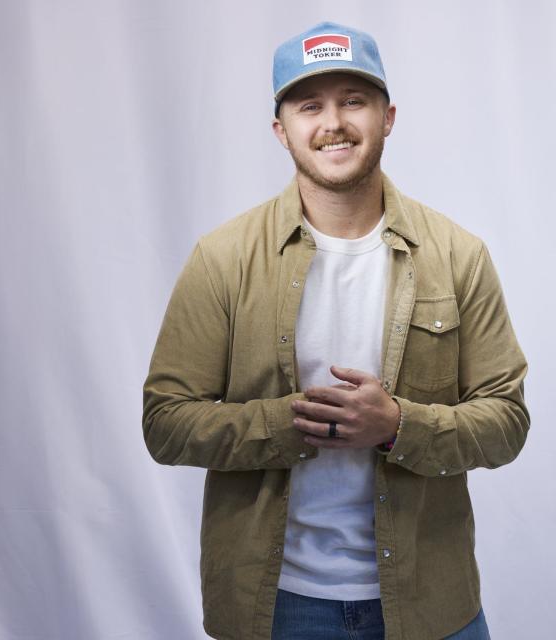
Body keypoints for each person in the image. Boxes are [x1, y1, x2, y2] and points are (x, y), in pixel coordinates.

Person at [142, 21, 529, 640]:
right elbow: (164, 422)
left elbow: (507, 421)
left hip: (432, 603)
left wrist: (398, 426)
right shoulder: (223, 258)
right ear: (282, 129)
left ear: (388, 116)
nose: (334, 123)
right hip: (279, 607)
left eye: (354, 100)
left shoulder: (459, 256)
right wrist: (283, 424)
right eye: (309, 105)